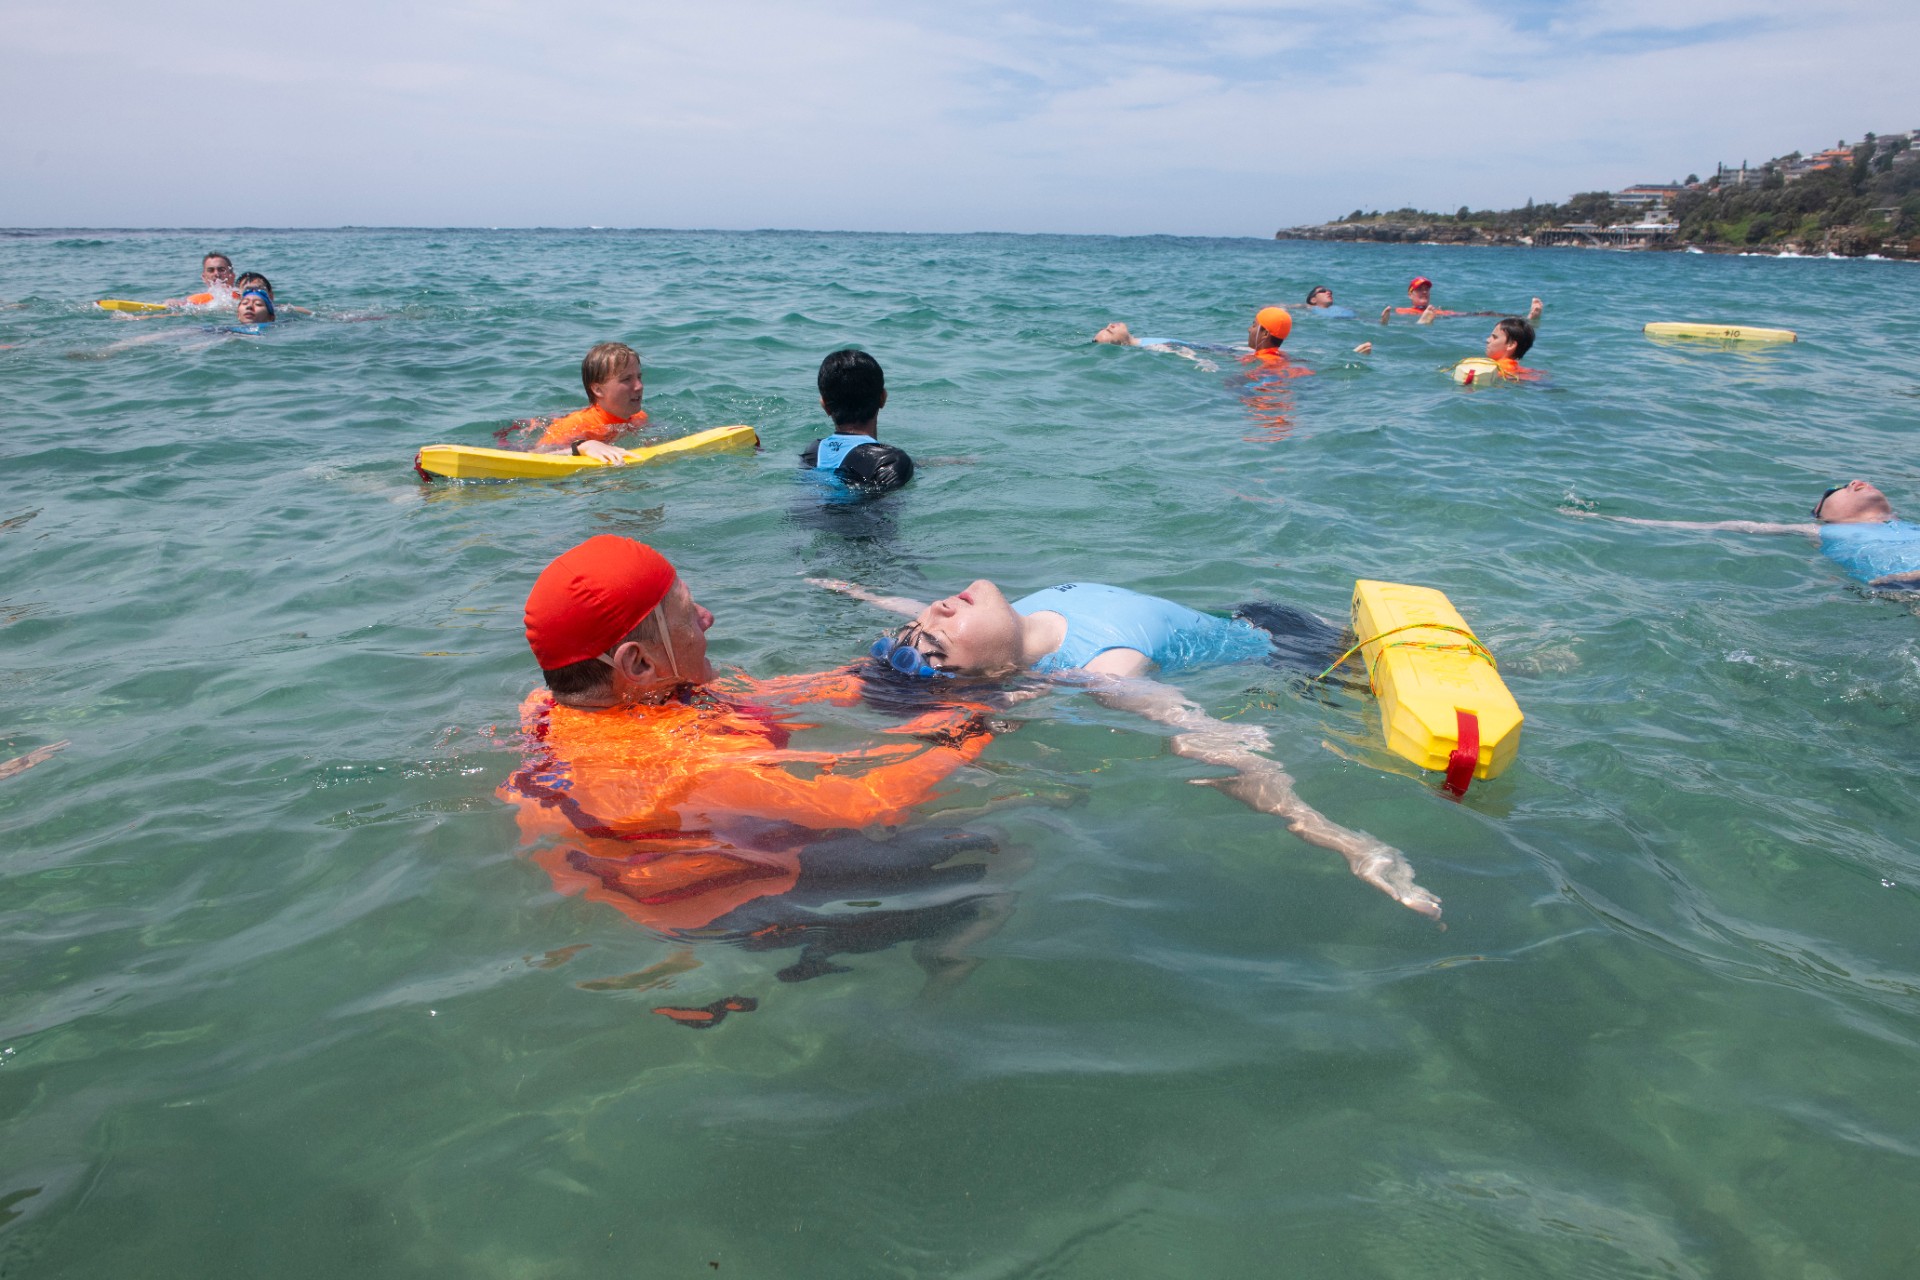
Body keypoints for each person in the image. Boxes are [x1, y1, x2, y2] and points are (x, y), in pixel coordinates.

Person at [500, 537, 1005, 1011]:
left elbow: (747, 709)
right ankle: (943, 955)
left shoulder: (556, 705)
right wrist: (977, 729)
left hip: (655, 872)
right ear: (638, 663)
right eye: (687, 615)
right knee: (994, 848)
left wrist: (860, 680)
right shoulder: (687, 763)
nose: (707, 618)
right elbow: (865, 803)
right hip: (719, 912)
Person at [812, 576, 1443, 918]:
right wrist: (1346, 841)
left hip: (1249, 612)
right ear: (990, 675)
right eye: (939, 635)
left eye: (926, 618)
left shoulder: (1002, 631)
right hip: (1303, 662)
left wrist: (856, 592)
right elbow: (1209, 743)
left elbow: (918, 615)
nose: (937, 612)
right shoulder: (1109, 668)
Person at [1582, 480, 1920, 588]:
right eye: (1840, 488)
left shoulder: (1910, 526)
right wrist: (1613, 519)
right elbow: (1714, 527)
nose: (1855, 483)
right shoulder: (1813, 531)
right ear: (1823, 516)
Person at [800, 348, 914, 494]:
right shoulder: (893, 461)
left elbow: (851, 460)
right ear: (883, 398)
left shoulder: (813, 452)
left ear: (825, 406)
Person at [533, 342, 650, 463]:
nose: (639, 386)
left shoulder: (639, 417)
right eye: (626, 379)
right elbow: (536, 455)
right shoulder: (575, 426)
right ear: (598, 390)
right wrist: (582, 447)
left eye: (639, 377)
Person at [1382, 276, 1543, 326]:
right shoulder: (1400, 311)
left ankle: (1527, 318)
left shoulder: (1439, 310)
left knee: (1483, 313)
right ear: (1410, 294)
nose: (1424, 291)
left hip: (1441, 317)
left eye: (1427, 289)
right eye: (1419, 289)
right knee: (1426, 318)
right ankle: (1422, 322)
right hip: (1415, 319)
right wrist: (1384, 321)